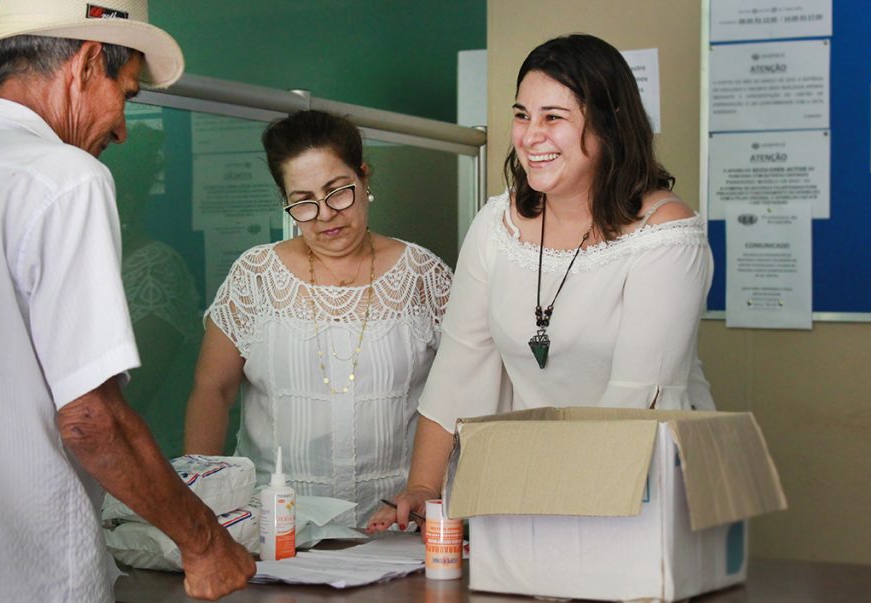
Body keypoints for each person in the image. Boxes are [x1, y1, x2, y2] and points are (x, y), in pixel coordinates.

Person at [0, 1, 255, 601]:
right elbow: (91, 420)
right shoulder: (66, 177)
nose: (124, 128)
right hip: (25, 581)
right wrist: (204, 542)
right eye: (126, 94)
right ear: (87, 62)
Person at [368, 33, 715, 532]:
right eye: (522, 115)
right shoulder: (496, 224)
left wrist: (543, 499)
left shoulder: (666, 236)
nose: (531, 136)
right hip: (528, 487)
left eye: (553, 117)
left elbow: (636, 400)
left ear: (609, 124)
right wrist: (425, 487)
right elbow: (460, 364)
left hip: (640, 492)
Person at [184, 110, 453, 527]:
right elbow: (212, 389)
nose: (325, 214)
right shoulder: (256, 276)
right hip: (275, 523)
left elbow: (459, 391)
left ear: (364, 178)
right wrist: (201, 505)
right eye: (303, 202)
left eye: (337, 192)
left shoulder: (422, 275)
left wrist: (427, 487)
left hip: (397, 519)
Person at [104, 123, 204, 459]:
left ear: (125, 205)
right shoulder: (102, 264)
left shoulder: (154, 269)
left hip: (155, 457)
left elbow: (135, 389)